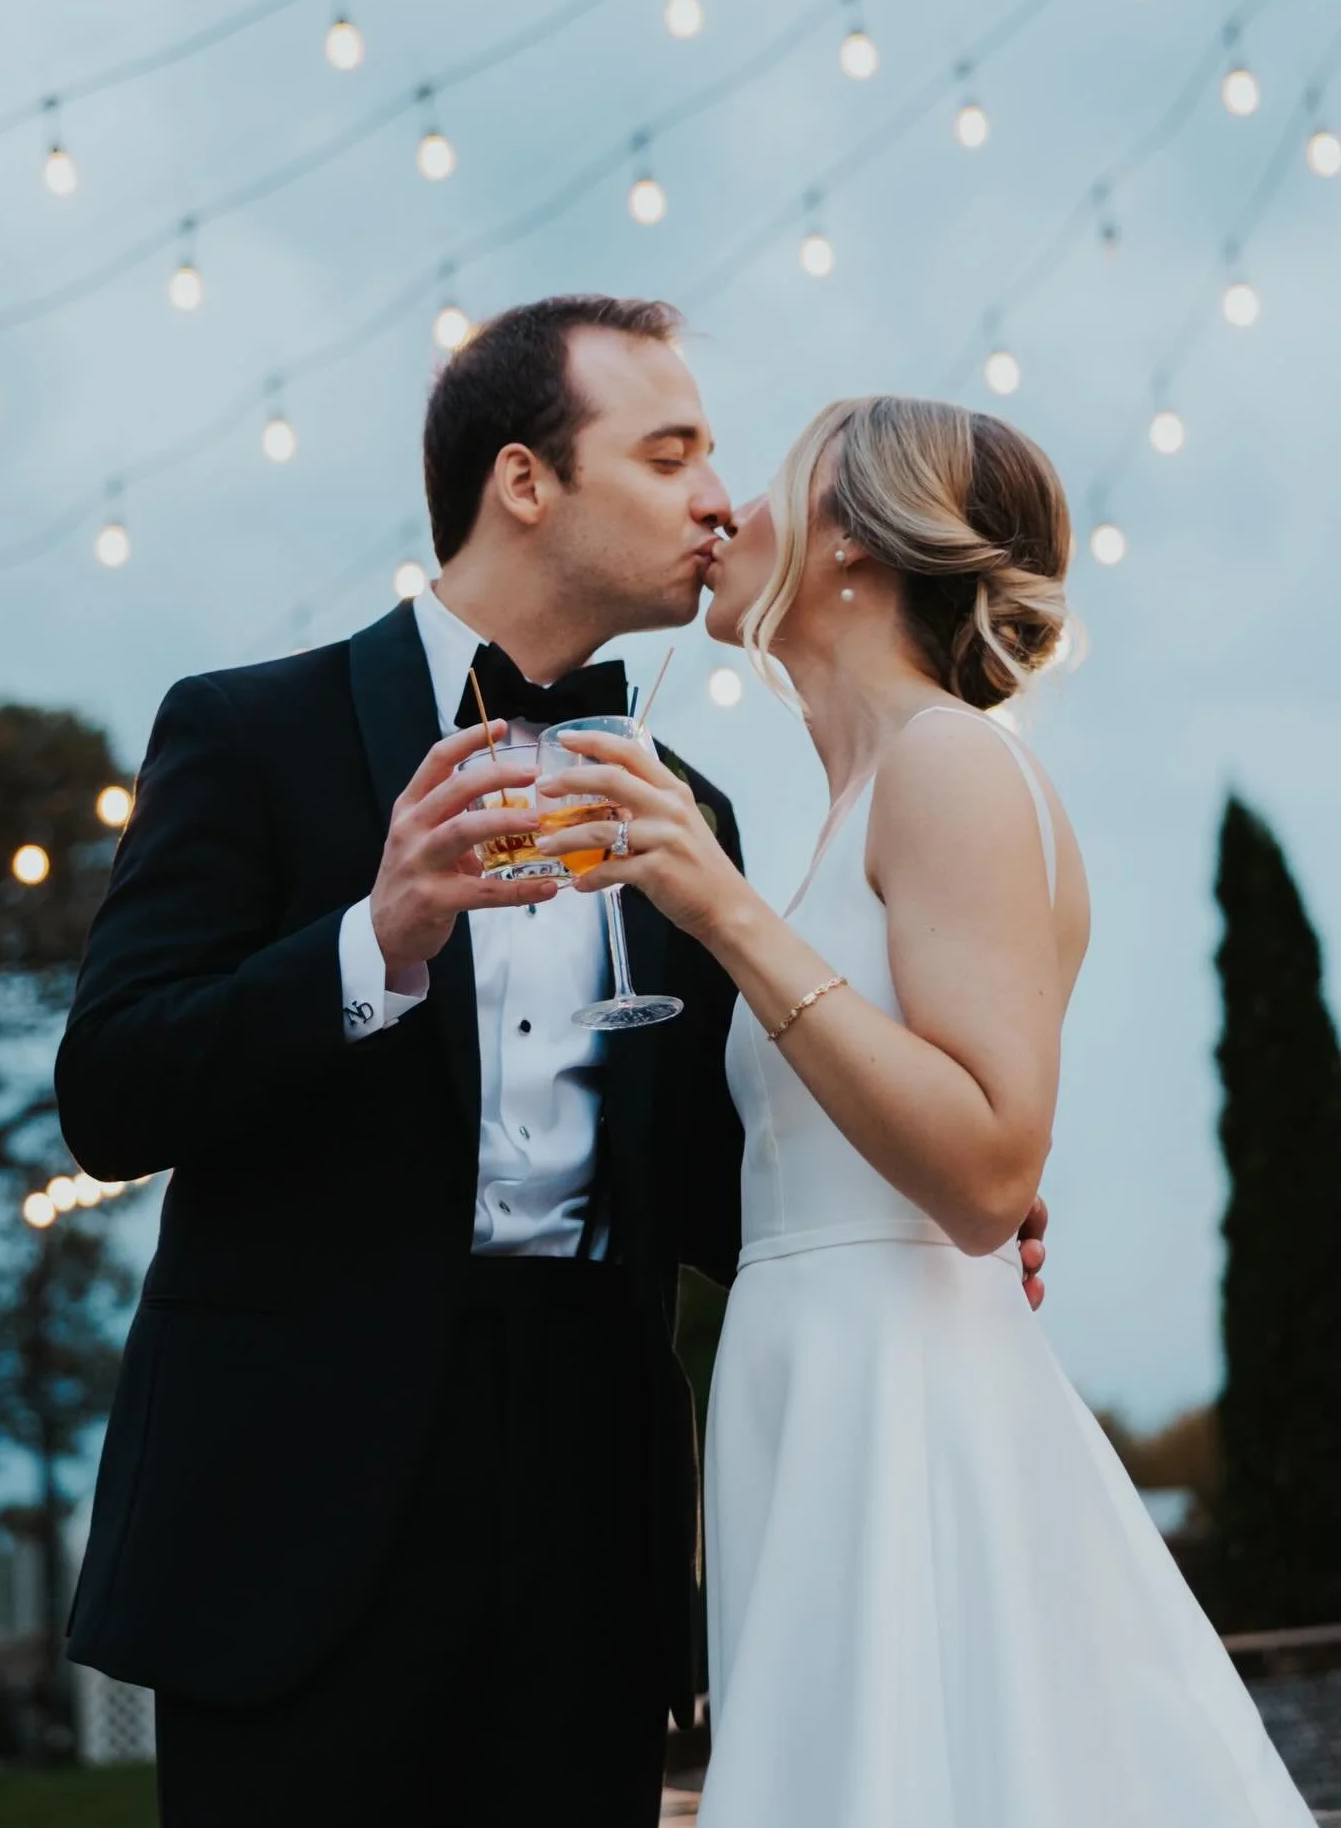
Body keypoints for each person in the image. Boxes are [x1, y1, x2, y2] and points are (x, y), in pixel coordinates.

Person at [56, 300, 1046, 1827]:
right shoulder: (252, 733)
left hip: (594, 1518)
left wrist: (895, 1183)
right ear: (527, 482)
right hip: (294, 1515)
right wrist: (369, 940)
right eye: (672, 455)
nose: (722, 501)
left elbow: (704, 1179)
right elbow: (110, 1093)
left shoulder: (689, 811)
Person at [537, 394, 1312, 1826]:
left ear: (849, 549)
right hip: (808, 1386)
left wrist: (714, 905)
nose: (726, 515)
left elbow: (984, 1169)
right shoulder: (859, 799)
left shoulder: (951, 763)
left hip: (903, 1405)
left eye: (766, 487)